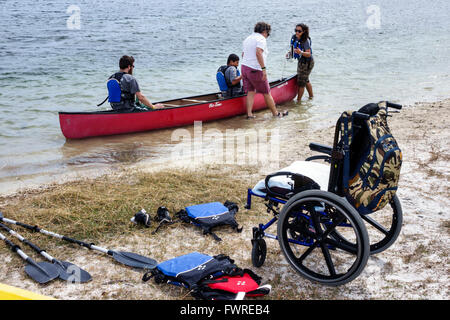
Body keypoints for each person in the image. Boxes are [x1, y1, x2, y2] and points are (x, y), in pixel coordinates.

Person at [241, 22, 288, 119]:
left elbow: (243, 54)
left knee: (250, 91)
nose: (267, 36)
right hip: (255, 69)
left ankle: (249, 114)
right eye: (268, 33)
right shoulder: (261, 39)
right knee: (267, 92)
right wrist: (263, 69)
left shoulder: (248, 38)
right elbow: (258, 52)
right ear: (264, 31)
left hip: (244, 67)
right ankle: (276, 114)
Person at [289, 23, 314, 101]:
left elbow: (309, 54)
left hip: (307, 62)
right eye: (296, 30)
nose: (297, 32)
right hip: (301, 61)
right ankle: (311, 97)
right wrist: (289, 53)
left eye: (299, 31)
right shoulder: (294, 38)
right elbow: (293, 49)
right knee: (305, 80)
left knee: (301, 83)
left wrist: (301, 52)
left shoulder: (305, 40)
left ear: (303, 32)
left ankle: (298, 101)